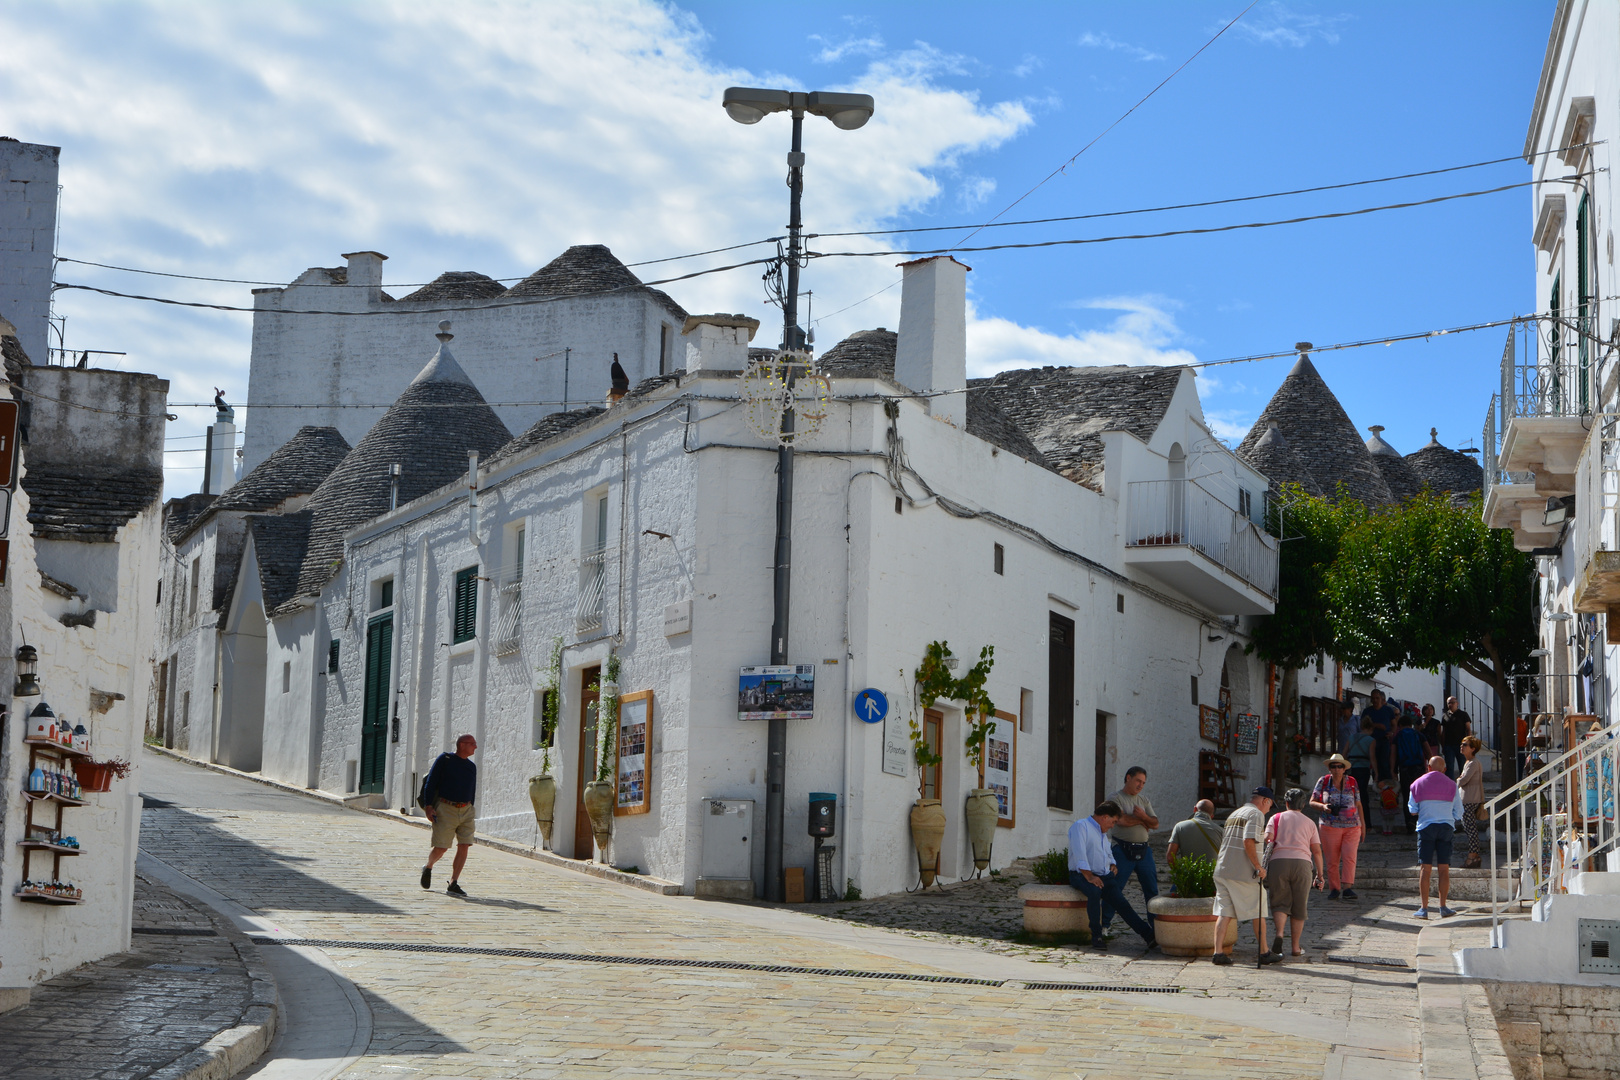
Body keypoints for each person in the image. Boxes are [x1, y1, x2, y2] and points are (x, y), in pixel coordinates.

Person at [1068, 800, 1156, 952]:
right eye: (1113, 821)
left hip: (1103, 875)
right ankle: (1097, 936)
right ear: (1105, 817)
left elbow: (1107, 852)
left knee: (1122, 903)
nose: (1113, 825)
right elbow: (1079, 854)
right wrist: (1089, 877)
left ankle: (1148, 935)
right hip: (1081, 875)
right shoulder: (1081, 826)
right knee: (1094, 893)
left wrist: (1112, 864)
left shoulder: (1102, 831)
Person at [1212, 786, 1281, 967]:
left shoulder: (1235, 813)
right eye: (1270, 806)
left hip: (1223, 869)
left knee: (1224, 911)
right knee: (1258, 909)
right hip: (1242, 872)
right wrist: (1258, 867)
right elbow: (1248, 840)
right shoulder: (1256, 814)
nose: (1268, 811)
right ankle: (1264, 951)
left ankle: (1218, 952)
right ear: (1265, 801)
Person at [1264, 789, 1324, 958]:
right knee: (1299, 906)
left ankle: (1279, 935)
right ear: (1303, 804)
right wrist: (1319, 875)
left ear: (1286, 803)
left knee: (1279, 902)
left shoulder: (1275, 818)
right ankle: (1296, 947)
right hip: (1302, 864)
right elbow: (1317, 851)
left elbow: (1268, 838)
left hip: (1278, 862)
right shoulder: (1309, 823)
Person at [419, 733, 479, 896]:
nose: (475, 746)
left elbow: (472, 788)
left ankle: (453, 882)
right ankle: (429, 866)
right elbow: (430, 783)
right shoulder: (445, 760)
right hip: (446, 808)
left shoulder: (471, 766)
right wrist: (428, 806)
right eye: (472, 743)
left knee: (465, 845)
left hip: (466, 810)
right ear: (462, 745)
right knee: (441, 847)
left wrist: (471, 806)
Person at [1408, 756, 1465, 919]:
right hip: (1446, 827)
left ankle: (1424, 908)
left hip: (1426, 827)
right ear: (1444, 769)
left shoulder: (1417, 784)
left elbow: (1412, 809)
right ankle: (1443, 906)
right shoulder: (1452, 785)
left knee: (1425, 869)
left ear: (1428, 767)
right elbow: (1459, 812)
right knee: (1444, 868)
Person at [1102, 766, 1159, 931]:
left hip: (1144, 850)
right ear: (1128, 778)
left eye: (1143, 782)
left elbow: (1155, 823)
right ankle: (1104, 925)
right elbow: (1121, 820)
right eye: (1138, 781)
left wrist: (1144, 818)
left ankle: (1156, 928)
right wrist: (1142, 820)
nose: (1140, 785)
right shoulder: (1115, 797)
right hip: (1122, 849)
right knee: (1114, 888)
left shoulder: (1144, 800)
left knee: (1151, 889)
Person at [1311, 753, 1365, 900]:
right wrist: (1323, 807)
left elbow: (1359, 804)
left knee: (1350, 856)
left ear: (1344, 768)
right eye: (1333, 766)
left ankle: (1347, 887)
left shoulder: (1352, 782)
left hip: (1352, 826)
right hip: (1329, 825)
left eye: (1339, 766)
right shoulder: (1323, 781)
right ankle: (1334, 888)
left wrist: (1363, 825)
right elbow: (1312, 801)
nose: (1336, 769)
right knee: (1332, 859)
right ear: (1329, 768)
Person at [1345, 717, 1382, 834]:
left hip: (1351, 770)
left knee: (1350, 796)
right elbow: (1372, 758)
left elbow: (1344, 754)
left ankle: (1350, 822)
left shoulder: (1351, 738)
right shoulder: (1371, 740)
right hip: (1363, 770)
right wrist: (1376, 773)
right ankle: (1367, 825)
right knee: (1363, 797)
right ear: (1371, 728)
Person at [1394, 716, 1427, 834]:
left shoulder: (1398, 736)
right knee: (1419, 795)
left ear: (1400, 725)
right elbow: (1427, 749)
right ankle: (1418, 820)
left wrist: (1394, 770)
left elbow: (1393, 753)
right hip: (1419, 768)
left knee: (1407, 795)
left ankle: (1409, 821)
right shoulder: (1418, 734)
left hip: (1404, 768)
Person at [1167, 799, 1222, 869]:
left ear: (1195, 809)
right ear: (1212, 816)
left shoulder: (1180, 827)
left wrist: (1180, 874)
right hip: (1211, 876)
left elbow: (1170, 857)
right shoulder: (1220, 831)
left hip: (1188, 875)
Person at [1457, 736, 1485, 868]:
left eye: (1465, 744)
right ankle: (1474, 855)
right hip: (1467, 798)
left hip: (1470, 799)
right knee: (1468, 827)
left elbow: (1463, 780)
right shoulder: (1468, 762)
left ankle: (1473, 855)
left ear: (1473, 748)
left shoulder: (1473, 763)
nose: (1462, 746)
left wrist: (1458, 780)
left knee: (1470, 828)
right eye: (1462, 744)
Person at [1362, 690, 1398, 790]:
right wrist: (1375, 726)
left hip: (1384, 740)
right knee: (1374, 765)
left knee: (1384, 764)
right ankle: (1377, 787)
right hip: (1370, 741)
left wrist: (1391, 733)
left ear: (1381, 699)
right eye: (1373, 698)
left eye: (1377, 698)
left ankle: (1387, 789)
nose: (1375, 700)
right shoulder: (1367, 711)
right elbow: (1363, 725)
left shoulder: (1388, 710)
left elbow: (1394, 724)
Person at [1442, 697, 1473, 778]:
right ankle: (1450, 787)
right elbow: (1444, 731)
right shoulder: (1445, 716)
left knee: (1463, 766)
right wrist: (1443, 745)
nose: (1450, 704)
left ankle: (1463, 785)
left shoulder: (1463, 714)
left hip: (1461, 745)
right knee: (1449, 767)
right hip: (1448, 745)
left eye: (1452, 702)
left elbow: (1468, 729)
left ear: (1457, 703)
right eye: (1449, 703)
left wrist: (1468, 743)